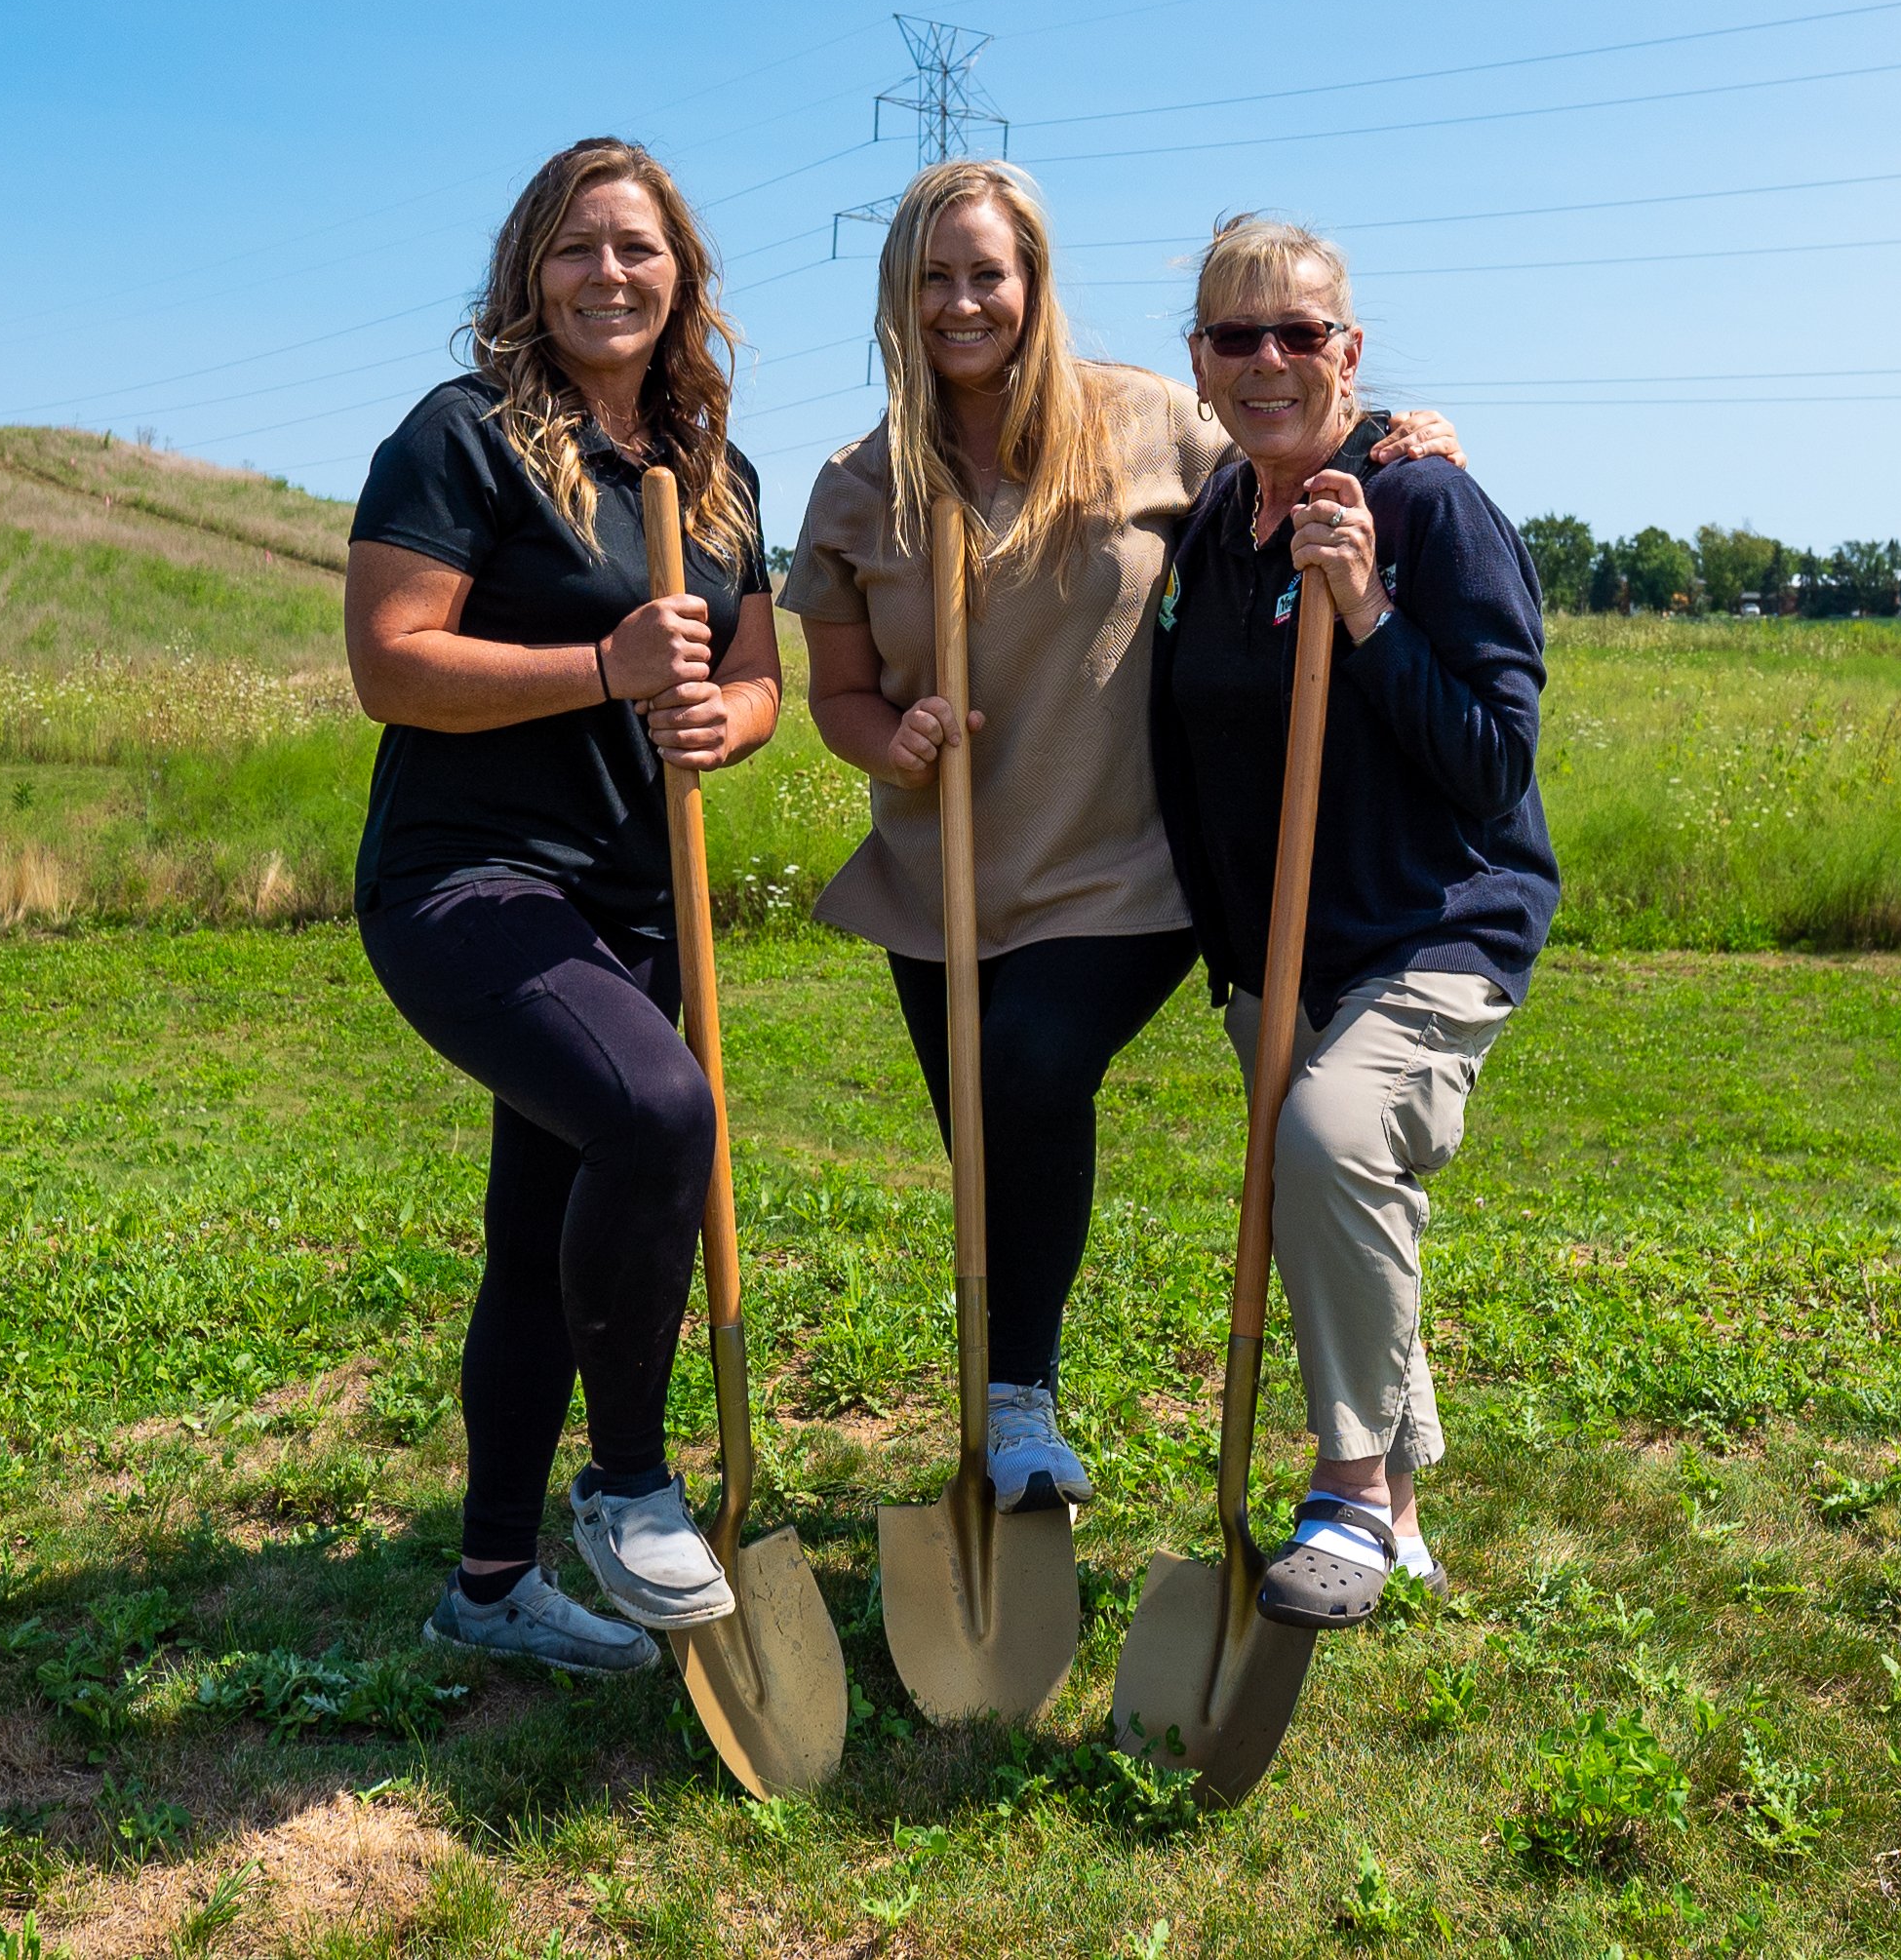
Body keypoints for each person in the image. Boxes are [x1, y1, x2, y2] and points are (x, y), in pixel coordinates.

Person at [778, 162, 1460, 1513]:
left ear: (1032, 284)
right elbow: (839, 697)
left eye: (989, 272)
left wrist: (1390, 436)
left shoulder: (1145, 420)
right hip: (944, 875)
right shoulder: (860, 487)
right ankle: (1007, 1406)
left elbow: (1288, 455)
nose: (963, 300)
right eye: (933, 274)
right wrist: (886, 736)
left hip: (1127, 866)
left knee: (1032, 1065)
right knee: (989, 1143)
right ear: (896, 295)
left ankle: (1023, 1403)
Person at [346, 138, 779, 1674]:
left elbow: (754, 673)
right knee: (660, 1115)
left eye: (640, 249)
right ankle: (628, 1481)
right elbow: (390, 662)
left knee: (540, 1230)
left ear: (683, 280)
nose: (612, 273)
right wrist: (601, 669)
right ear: (530, 270)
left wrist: (729, 718)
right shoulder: (459, 439)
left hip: (627, 900)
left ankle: (484, 1587)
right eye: (580, 247)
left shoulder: (711, 477)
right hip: (466, 884)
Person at [1149, 215, 1558, 1630]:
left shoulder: (1424, 502)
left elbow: (1496, 758)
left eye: (1297, 333)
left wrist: (1368, 607)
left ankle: (1343, 1485)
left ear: (1350, 349)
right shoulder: (1213, 514)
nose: (1267, 359)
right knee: (1334, 1199)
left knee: (1328, 1142)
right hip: (1279, 944)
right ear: (1194, 361)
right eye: (1233, 335)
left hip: (1434, 925)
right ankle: (1403, 1514)